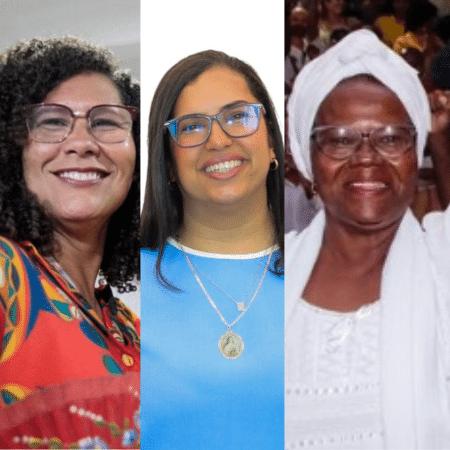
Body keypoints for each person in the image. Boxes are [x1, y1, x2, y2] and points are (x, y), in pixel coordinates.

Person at [286, 29, 450, 449]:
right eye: (339, 139)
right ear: (307, 157)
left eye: (391, 137)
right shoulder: (262, 279)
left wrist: (443, 141)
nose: (366, 157)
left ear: (417, 153)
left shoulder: (441, 261)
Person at [0, 37, 140, 448]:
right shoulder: (8, 276)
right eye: (52, 122)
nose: (82, 142)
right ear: (13, 150)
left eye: (106, 122)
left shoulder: (131, 330)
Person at [140, 50, 284, 449]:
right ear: (168, 162)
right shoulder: (121, 290)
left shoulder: (324, 269)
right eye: (191, 127)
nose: (218, 140)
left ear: (270, 139)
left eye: (238, 116)